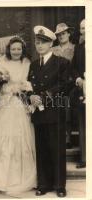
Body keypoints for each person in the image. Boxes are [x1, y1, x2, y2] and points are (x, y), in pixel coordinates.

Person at [0, 36, 36, 195]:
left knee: (21, 136)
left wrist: (23, 90)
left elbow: (28, 83)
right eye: (13, 49)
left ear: (22, 50)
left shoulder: (27, 63)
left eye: (19, 49)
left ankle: (21, 177)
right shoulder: (1, 62)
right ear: (9, 49)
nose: (16, 52)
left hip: (20, 103)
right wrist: (4, 83)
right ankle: (0, 180)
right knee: (3, 136)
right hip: (5, 104)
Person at [28, 25, 70, 197]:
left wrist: (45, 95)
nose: (39, 46)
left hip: (54, 112)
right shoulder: (33, 65)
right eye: (37, 43)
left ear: (51, 44)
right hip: (38, 113)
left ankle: (59, 185)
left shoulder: (62, 63)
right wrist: (31, 96)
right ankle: (43, 184)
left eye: (43, 43)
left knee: (56, 149)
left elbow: (65, 84)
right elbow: (28, 85)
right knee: (42, 148)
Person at [52, 23, 75, 149]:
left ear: (69, 34)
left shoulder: (75, 48)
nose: (61, 36)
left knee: (66, 108)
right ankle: (57, 138)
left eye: (64, 33)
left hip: (69, 84)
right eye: (59, 34)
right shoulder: (53, 50)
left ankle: (67, 137)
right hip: (55, 84)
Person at [71, 19, 86, 168]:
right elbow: (74, 67)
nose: (84, 31)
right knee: (83, 123)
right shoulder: (79, 48)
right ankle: (85, 157)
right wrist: (77, 78)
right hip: (83, 89)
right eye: (82, 28)